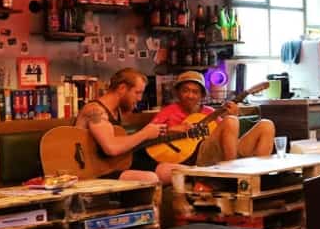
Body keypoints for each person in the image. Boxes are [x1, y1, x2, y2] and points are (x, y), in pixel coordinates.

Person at [148, 70, 276, 184]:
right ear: (178, 93)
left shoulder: (209, 112)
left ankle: (259, 178)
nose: (190, 95)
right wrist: (174, 128)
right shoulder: (169, 111)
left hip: (221, 153)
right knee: (230, 121)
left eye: (195, 92)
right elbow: (146, 134)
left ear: (202, 95)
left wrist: (234, 115)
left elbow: (227, 136)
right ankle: (232, 177)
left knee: (266, 125)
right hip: (197, 156)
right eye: (185, 90)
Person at [75, 68, 163, 183]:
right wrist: (145, 134)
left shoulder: (117, 111)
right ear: (122, 88)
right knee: (150, 178)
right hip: (93, 172)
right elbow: (111, 148)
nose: (139, 98)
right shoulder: (96, 110)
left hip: (111, 166)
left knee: (170, 170)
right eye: (137, 92)